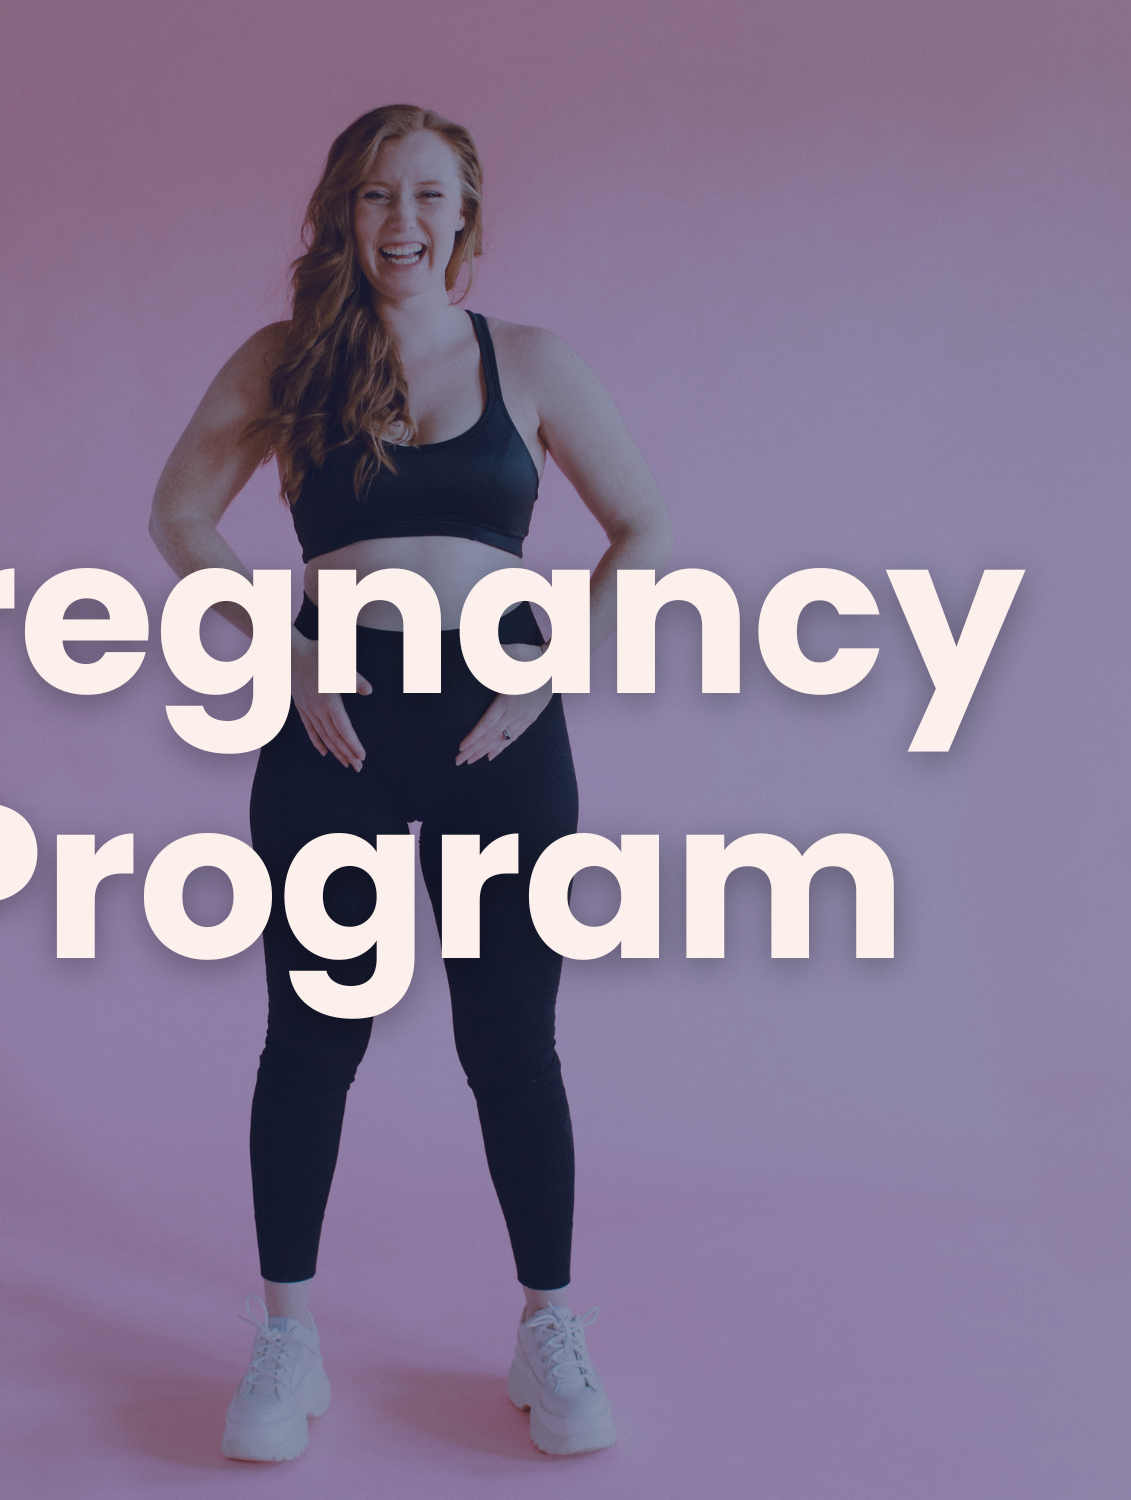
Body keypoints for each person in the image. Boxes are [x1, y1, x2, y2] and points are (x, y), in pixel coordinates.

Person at [149, 104, 671, 1461]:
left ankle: (547, 1326)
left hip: (503, 732)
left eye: (427, 195)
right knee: (314, 1034)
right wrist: (286, 647)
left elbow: (647, 528)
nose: (401, 222)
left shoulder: (535, 363)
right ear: (343, 212)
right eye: (376, 195)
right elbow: (179, 514)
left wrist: (551, 668)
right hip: (337, 729)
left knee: (511, 1043)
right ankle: (287, 1338)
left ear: (466, 216)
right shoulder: (291, 361)